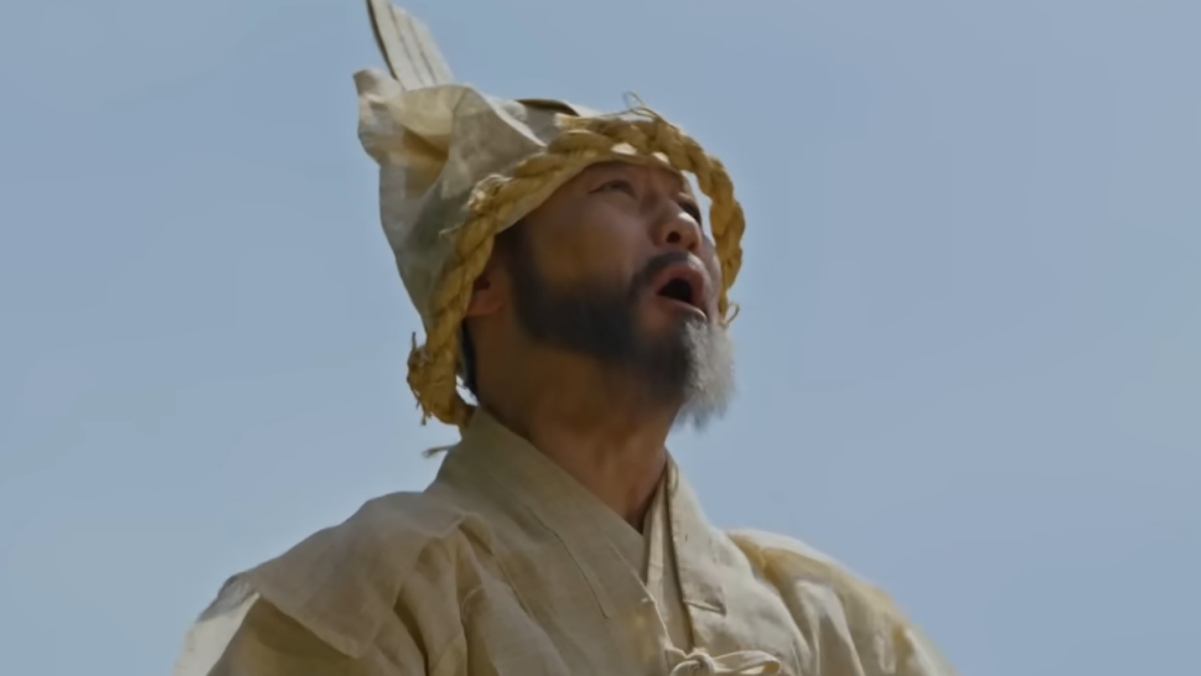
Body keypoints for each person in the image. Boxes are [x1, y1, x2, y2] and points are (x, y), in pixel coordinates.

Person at [172, 2, 957, 675]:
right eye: (617, 189)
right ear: (481, 280)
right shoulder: (380, 590)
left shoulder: (832, 625)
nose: (683, 228)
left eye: (689, 209)